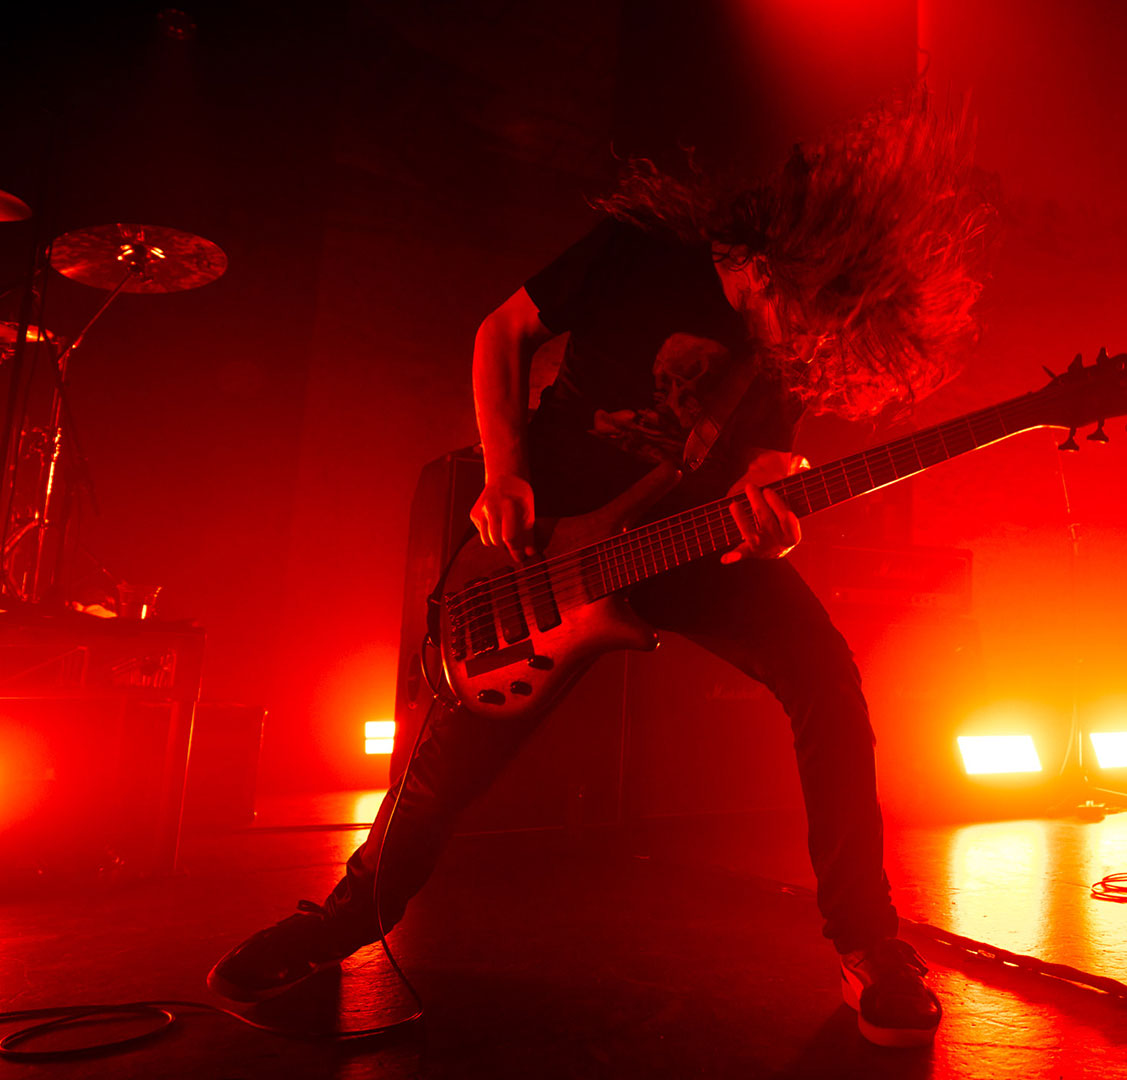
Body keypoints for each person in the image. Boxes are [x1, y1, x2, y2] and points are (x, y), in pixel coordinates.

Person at [207, 91, 990, 1048]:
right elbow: (502, 333)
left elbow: (772, 473)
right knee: (452, 752)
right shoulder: (637, 255)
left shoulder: (800, 331)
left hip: (686, 542)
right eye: (792, 301)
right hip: (549, 544)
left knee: (826, 677)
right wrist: (503, 475)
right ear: (752, 258)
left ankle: (868, 943)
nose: (798, 329)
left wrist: (774, 528)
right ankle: (347, 918)